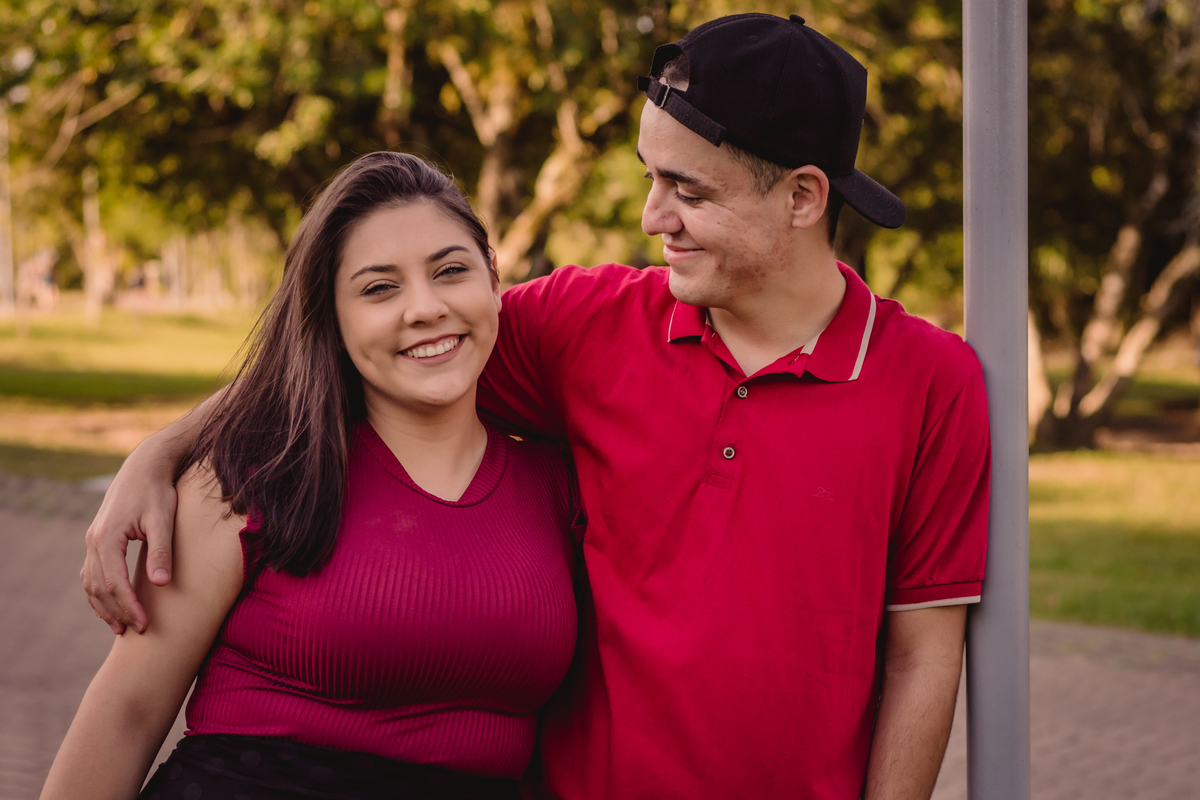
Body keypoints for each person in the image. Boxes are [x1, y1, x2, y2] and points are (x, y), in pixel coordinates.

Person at [81, 14, 990, 799]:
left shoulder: (931, 382)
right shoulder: (586, 321)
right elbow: (364, 347)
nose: (651, 216)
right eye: (649, 175)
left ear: (802, 196)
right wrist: (163, 451)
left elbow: (923, 655)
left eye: (688, 190)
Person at [46, 152, 580, 800]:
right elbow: (126, 714)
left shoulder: (558, 488)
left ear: (494, 277)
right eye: (380, 287)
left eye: (450, 271)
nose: (425, 307)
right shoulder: (253, 477)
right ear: (331, 314)